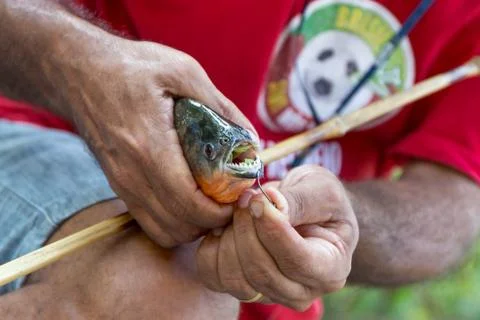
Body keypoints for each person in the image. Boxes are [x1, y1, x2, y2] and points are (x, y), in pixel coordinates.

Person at [0, 0, 478, 319]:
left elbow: (455, 200)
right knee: (164, 293)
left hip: (249, 299)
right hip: (32, 132)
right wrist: (73, 61)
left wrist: (344, 218)